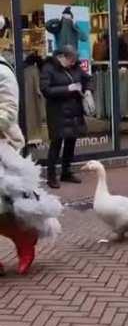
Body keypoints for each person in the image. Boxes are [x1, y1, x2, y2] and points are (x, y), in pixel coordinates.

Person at [0, 18, 62, 275]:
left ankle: (25, 241)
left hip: (2, 148)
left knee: (7, 208)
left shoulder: (2, 71)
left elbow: (8, 112)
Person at [40, 45, 91, 189]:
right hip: (57, 112)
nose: (73, 63)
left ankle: (66, 172)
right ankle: (51, 176)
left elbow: (87, 79)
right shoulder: (48, 68)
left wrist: (87, 90)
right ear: (61, 57)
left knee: (71, 143)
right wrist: (68, 89)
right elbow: (45, 90)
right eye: (71, 60)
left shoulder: (75, 67)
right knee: (56, 144)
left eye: (75, 60)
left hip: (74, 111)